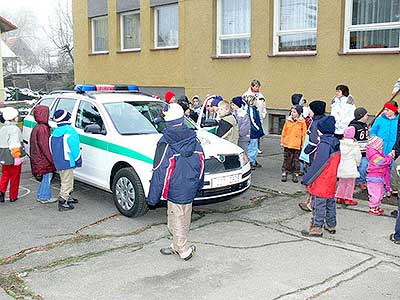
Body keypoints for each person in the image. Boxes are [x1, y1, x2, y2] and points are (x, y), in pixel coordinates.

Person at [147, 103, 204, 261]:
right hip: (190, 185)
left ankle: (183, 250)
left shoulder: (165, 143)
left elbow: (159, 170)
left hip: (174, 187)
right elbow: (202, 163)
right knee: (184, 215)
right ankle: (176, 245)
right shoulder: (195, 139)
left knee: (176, 216)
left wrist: (152, 197)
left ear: (168, 121)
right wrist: (198, 184)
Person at [301, 116, 341, 237]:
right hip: (331, 179)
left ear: (321, 130)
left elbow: (318, 165)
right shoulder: (335, 142)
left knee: (318, 205)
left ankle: (316, 227)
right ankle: (331, 224)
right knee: (330, 203)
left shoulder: (324, 145)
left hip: (321, 180)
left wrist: (307, 179)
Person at [50, 109, 82, 211]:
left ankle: (68, 197)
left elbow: (51, 147)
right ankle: (63, 201)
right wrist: (78, 159)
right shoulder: (70, 131)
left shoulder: (55, 132)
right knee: (67, 181)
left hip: (58, 160)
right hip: (68, 160)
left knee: (64, 179)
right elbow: (75, 148)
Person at [298, 100, 326, 212]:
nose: (308, 110)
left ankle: (311, 203)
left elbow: (314, 141)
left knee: (314, 179)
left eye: (309, 108)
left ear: (314, 111)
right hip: (322, 154)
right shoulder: (323, 120)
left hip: (314, 155)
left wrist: (306, 151)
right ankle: (311, 201)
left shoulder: (315, 124)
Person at [370, 100, 399, 197]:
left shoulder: (398, 120)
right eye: (385, 109)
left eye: (388, 110)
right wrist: (376, 142)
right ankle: (379, 187)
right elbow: (373, 132)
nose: (385, 112)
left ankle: (391, 187)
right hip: (380, 149)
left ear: (394, 110)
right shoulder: (379, 119)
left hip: (393, 149)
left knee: (392, 168)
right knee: (380, 167)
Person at [30, 105, 57, 204]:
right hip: (43, 158)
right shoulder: (43, 129)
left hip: (38, 157)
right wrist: (52, 160)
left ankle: (41, 195)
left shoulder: (37, 127)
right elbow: (45, 146)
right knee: (47, 176)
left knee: (46, 177)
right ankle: (45, 197)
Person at [0, 107, 26, 203]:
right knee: (15, 176)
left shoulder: (3, 128)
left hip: (3, 155)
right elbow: (14, 143)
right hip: (13, 155)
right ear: (13, 117)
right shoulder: (15, 129)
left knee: (5, 174)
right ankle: (13, 196)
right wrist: (17, 156)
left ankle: (1, 192)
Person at [366, 136, 393, 215]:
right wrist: (390, 156)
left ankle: (376, 206)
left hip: (379, 177)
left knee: (380, 193)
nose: (382, 147)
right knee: (375, 193)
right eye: (381, 146)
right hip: (374, 178)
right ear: (376, 146)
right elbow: (383, 162)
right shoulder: (375, 156)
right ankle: (372, 207)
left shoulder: (376, 154)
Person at [280, 105, 307, 183]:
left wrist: (303, 144)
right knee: (287, 159)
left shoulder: (302, 122)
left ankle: (295, 174)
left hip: (297, 145)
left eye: (294, 112)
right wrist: (282, 141)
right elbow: (284, 132)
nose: (292, 113)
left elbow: (304, 134)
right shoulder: (288, 121)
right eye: (291, 111)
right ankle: (284, 172)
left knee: (296, 161)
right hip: (288, 144)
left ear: (299, 113)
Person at [335, 126, 361, 206]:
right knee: (350, 184)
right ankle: (348, 198)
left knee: (342, 182)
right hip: (351, 167)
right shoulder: (354, 146)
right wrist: (357, 163)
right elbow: (358, 156)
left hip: (342, 166)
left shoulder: (340, 144)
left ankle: (339, 196)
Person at [243, 79, 266, 154]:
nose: (258, 88)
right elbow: (243, 106)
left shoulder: (261, 95)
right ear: (252, 86)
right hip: (250, 116)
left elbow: (264, 105)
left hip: (258, 115)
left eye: (258, 87)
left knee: (258, 131)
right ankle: (249, 146)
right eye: (256, 86)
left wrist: (263, 114)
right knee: (251, 131)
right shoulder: (246, 95)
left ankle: (257, 147)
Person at [349, 107, 369, 190]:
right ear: (361, 116)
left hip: (364, 152)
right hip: (355, 152)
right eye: (366, 115)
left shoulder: (365, 125)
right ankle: (352, 182)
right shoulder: (353, 126)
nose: (367, 117)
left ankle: (360, 181)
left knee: (364, 166)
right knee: (354, 167)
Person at [247, 95, 264, 170]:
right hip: (253, 132)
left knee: (255, 146)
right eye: (255, 101)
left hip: (255, 132)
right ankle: (251, 161)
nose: (256, 102)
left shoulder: (254, 109)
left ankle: (253, 160)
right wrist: (257, 128)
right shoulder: (250, 109)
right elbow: (252, 120)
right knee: (252, 147)